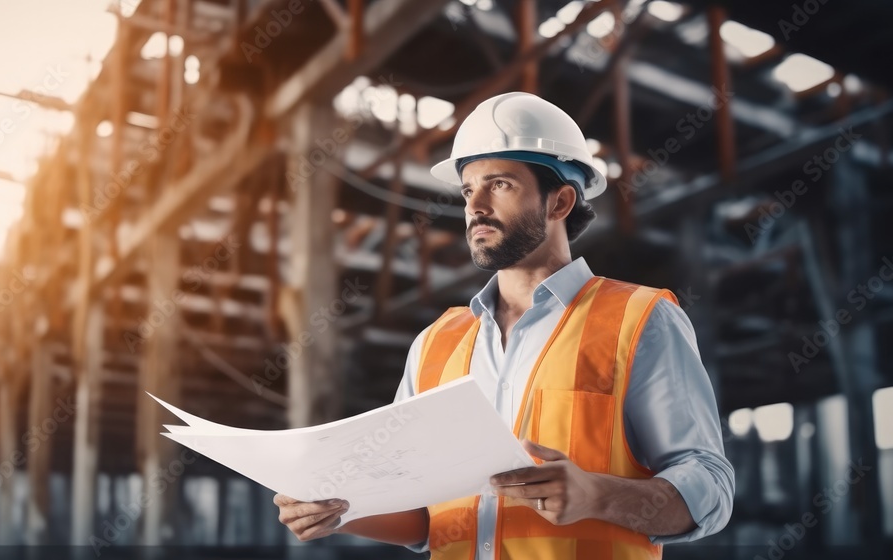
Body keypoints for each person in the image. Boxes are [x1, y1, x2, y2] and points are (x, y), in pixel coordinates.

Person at [275, 92, 734, 559]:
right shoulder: (435, 344)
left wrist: (599, 495)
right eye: (468, 189)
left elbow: (711, 489)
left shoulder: (640, 320)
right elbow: (423, 516)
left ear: (560, 202)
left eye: (500, 184)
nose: (476, 205)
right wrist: (340, 510)